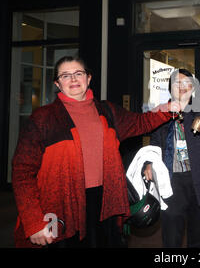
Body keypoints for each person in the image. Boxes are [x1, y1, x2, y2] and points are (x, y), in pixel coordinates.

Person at [12, 56, 180, 248]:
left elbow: (140, 123)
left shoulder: (107, 111)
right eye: (65, 76)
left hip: (104, 202)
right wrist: (33, 221)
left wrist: (167, 110)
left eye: (78, 73)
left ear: (89, 78)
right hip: (61, 205)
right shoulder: (42, 118)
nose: (73, 79)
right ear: (57, 83)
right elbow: (22, 171)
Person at [144, 68, 200, 248]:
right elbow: (154, 142)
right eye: (177, 83)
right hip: (172, 182)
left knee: (197, 238)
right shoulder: (161, 112)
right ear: (170, 88)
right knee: (171, 238)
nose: (182, 86)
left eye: (187, 83)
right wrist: (149, 163)